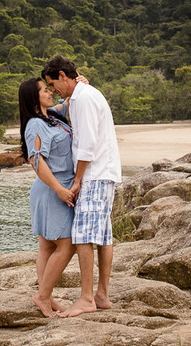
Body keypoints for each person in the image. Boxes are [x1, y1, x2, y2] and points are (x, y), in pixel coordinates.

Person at [42, 55, 121, 316]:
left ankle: (87, 298)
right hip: (103, 172)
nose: (53, 91)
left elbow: (86, 146)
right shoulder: (79, 96)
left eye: (53, 84)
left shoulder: (84, 98)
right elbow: (57, 109)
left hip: (95, 174)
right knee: (103, 235)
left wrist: (77, 181)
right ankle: (102, 295)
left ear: (63, 76)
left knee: (84, 235)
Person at [17, 77, 76, 318]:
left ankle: (46, 297)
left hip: (55, 189)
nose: (50, 92)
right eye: (45, 90)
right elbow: (36, 161)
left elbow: (69, 101)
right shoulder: (35, 125)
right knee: (67, 244)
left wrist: (79, 82)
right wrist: (59, 189)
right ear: (34, 97)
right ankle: (42, 296)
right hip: (52, 190)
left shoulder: (51, 115)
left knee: (47, 246)